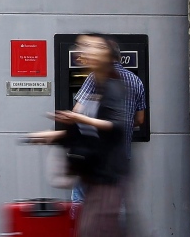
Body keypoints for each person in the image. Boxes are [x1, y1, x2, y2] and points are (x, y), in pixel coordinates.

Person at [29, 33, 128, 237]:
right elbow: (85, 130)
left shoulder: (113, 86)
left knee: (95, 229)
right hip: (93, 178)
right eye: (82, 46)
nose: (84, 51)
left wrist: (81, 119)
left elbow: (116, 126)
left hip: (106, 180)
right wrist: (54, 136)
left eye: (92, 46)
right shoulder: (94, 84)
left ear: (107, 54)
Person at [71, 39, 146, 205]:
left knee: (80, 204)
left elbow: (77, 111)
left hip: (95, 156)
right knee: (117, 206)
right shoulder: (136, 81)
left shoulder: (95, 78)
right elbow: (140, 119)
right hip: (121, 156)